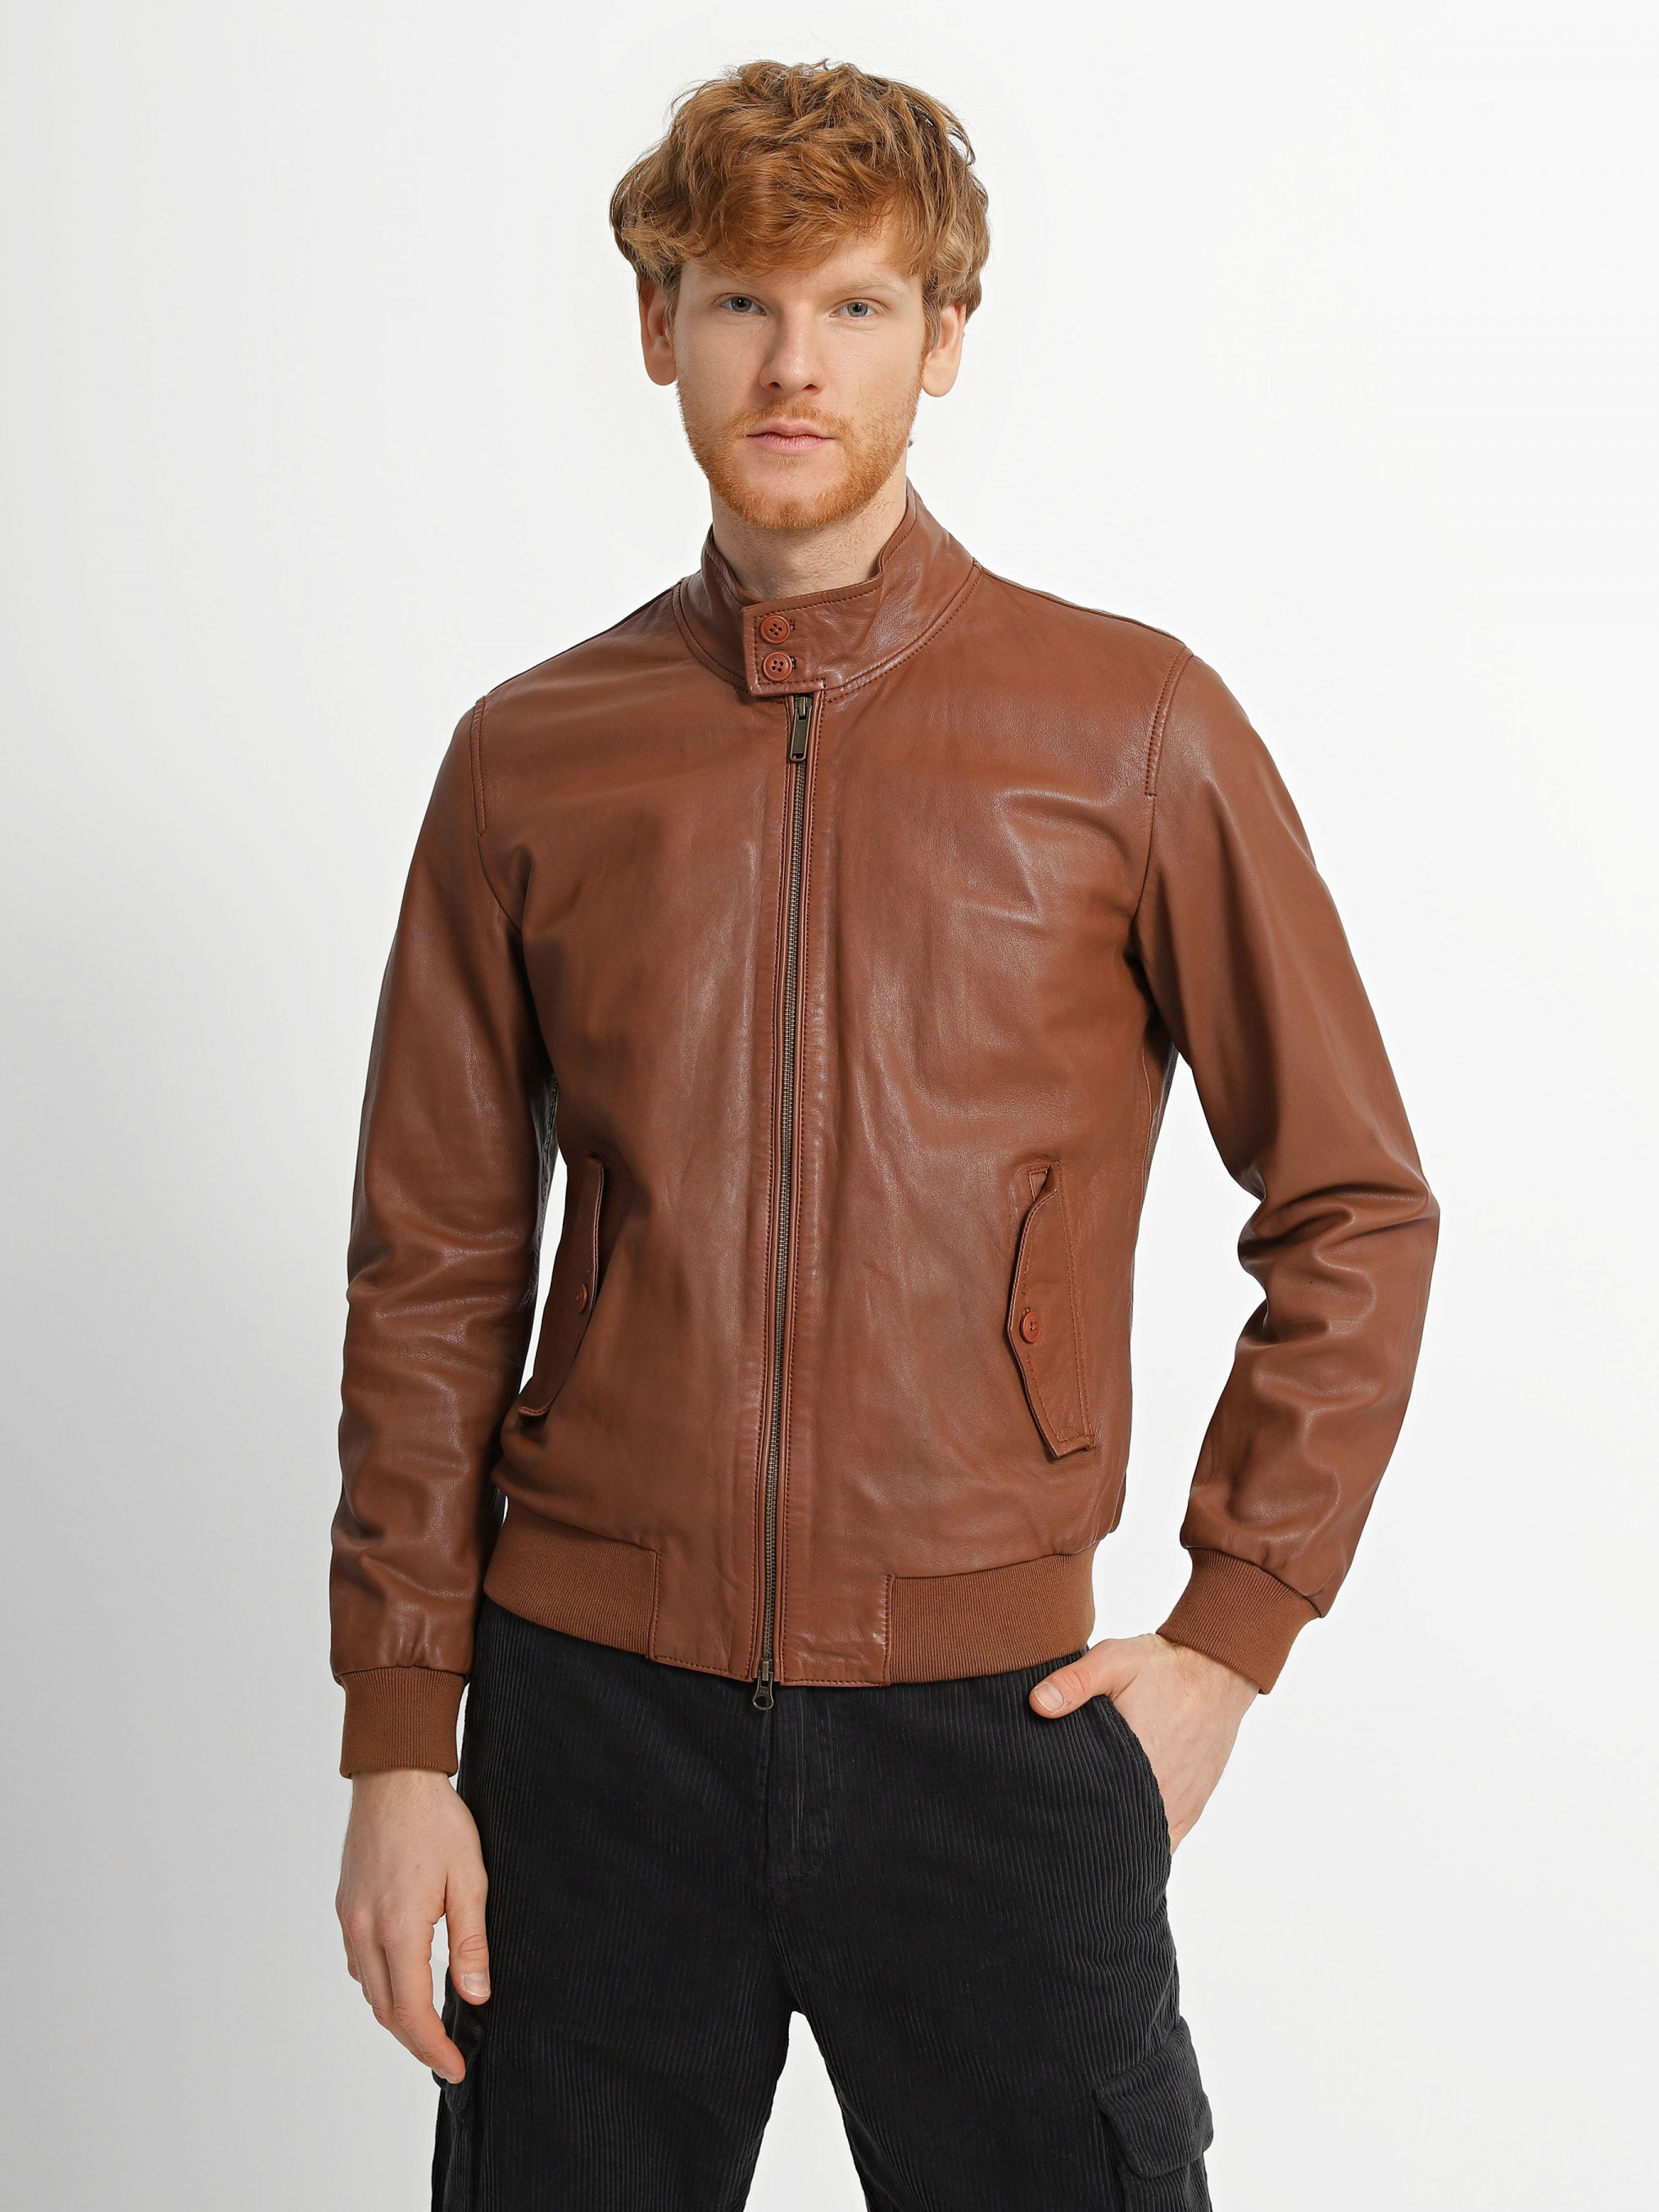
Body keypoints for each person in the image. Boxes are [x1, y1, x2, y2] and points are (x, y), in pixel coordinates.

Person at [330, 59, 1437, 2211]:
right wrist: (396, 1733)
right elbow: (434, 1267)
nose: (792, 364)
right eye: (740, 301)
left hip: (995, 1720)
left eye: (853, 305)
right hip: (589, 1725)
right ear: (656, 325)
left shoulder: (1128, 731)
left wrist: (1232, 1631)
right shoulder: (530, 760)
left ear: (943, 339)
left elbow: (1354, 1201)